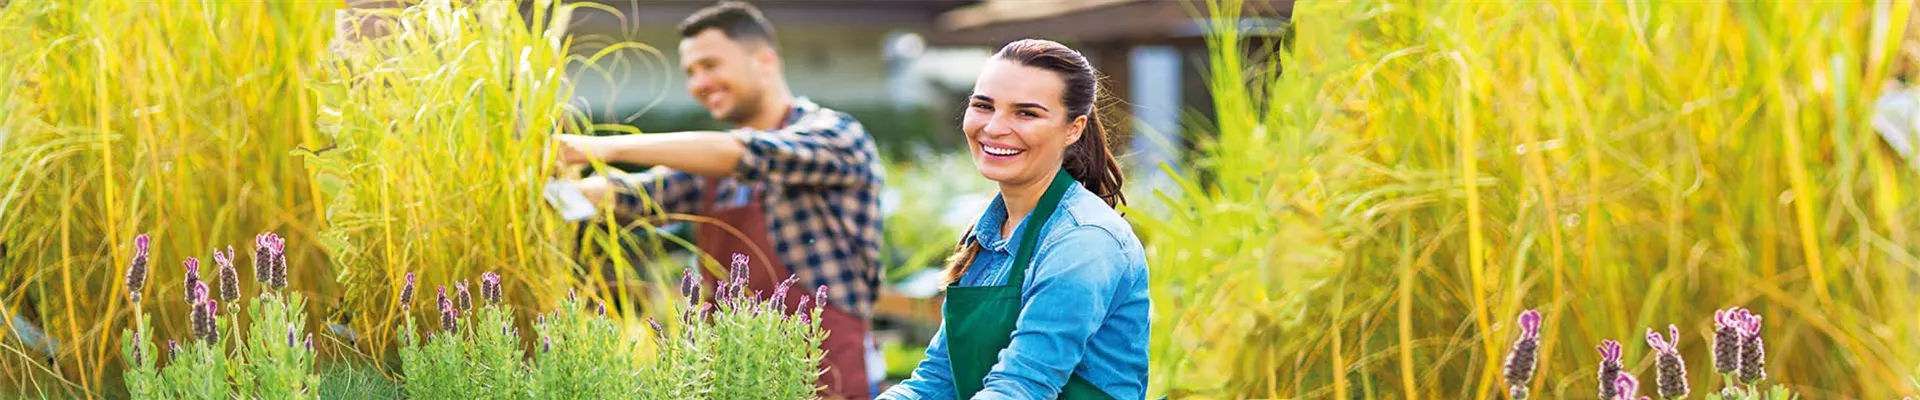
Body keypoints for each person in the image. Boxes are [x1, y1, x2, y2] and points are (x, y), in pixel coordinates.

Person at [552, 2, 884, 399]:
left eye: (710, 65)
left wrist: (595, 148)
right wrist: (547, 192)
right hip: (734, 374)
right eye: (691, 72)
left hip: (824, 369)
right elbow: (637, 195)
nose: (698, 83)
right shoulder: (710, 169)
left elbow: (746, 153)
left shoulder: (836, 135)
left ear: (764, 60)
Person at [877, 39, 1150, 400]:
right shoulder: (986, 235)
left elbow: (1023, 387)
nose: (994, 127)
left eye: (1026, 113)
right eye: (983, 106)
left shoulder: (1084, 240)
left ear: (1074, 128)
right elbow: (936, 381)